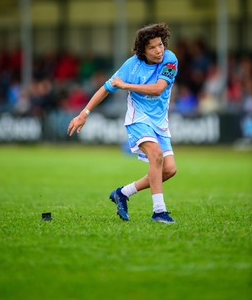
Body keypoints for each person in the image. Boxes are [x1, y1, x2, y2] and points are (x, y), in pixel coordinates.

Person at [67, 23, 178, 224]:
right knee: (156, 155)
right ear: (142, 51)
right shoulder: (131, 66)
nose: (158, 50)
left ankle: (122, 193)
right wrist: (84, 113)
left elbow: (158, 89)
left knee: (169, 170)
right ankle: (159, 211)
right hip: (138, 119)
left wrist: (125, 85)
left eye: (160, 45)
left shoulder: (170, 59)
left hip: (160, 122)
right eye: (152, 47)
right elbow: (105, 88)